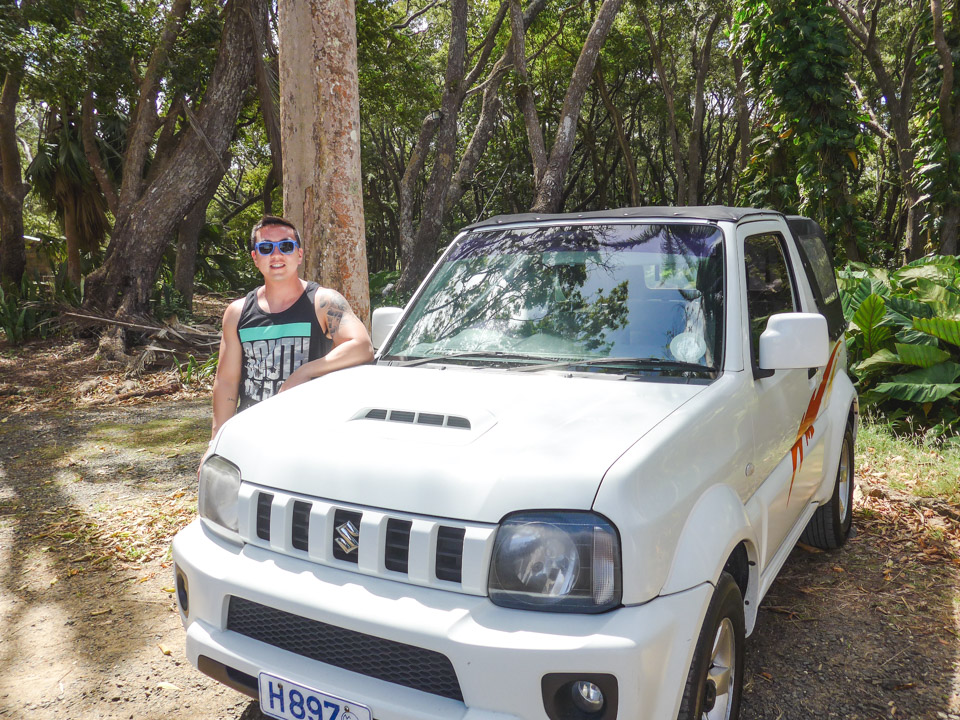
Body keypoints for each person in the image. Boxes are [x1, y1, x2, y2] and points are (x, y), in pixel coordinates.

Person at [210, 215, 374, 439]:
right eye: (266, 248)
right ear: (255, 258)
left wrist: (305, 372)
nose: (276, 255)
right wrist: (217, 439)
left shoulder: (323, 302)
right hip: (251, 432)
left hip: (308, 432)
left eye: (286, 246)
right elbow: (226, 381)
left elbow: (362, 347)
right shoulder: (237, 313)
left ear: (299, 255)